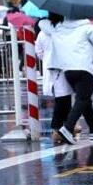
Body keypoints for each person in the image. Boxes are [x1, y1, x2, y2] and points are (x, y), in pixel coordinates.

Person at [38, 14, 93, 144]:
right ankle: (68, 127)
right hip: (83, 68)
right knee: (83, 98)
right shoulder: (87, 27)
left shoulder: (60, 28)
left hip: (68, 70)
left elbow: (42, 24)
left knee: (84, 98)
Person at [34, 13, 75, 144]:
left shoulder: (41, 34)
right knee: (64, 99)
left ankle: (65, 127)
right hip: (63, 67)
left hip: (50, 68)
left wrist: (46, 58)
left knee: (61, 98)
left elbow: (38, 51)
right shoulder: (62, 31)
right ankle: (58, 128)